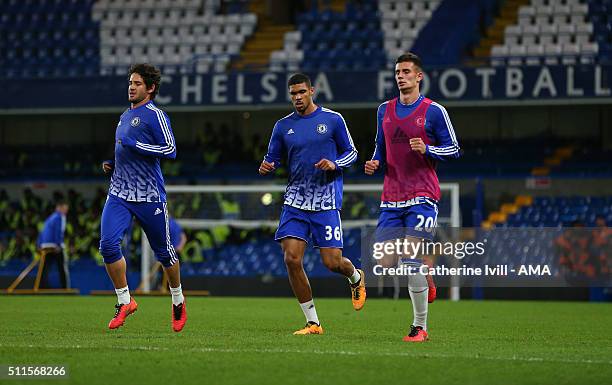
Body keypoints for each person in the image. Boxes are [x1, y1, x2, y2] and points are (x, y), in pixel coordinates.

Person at [259, 73, 366, 335]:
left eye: (301, 92)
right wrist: (268, 165)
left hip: (325, 200)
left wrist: (335, 163)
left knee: (332, 263)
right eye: (293, 93)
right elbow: (272, 157)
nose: (297, 98)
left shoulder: (332, 119)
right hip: (295, 200)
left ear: (312, 91)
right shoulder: (282, 126)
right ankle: (313, 322)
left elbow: (351, 152)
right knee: (291, 258)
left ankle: (356, 277)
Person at [364, 53, 460, 342]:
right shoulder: (384, 110)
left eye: (406, 71)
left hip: (422, 194)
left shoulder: (434, 111)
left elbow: (454, 149)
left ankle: (420, 328)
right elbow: (380, 147)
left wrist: (428, 149)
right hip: (391, 196)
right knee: (384, 261)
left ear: (419, 76)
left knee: (410, 260)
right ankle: (426, 277)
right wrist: (374, 162)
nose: (400, 76)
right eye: (397, 72)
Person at [99, 63, 186, 332]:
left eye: (137, 84)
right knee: (108, 246)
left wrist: (137, 145)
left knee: (165, 254)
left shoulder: (155, 115)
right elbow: (125, 151)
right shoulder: (125, 115)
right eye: (130, 83)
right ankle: (125, 300)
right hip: (120, 193)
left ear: (150, 88)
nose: (131, 87)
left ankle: (178, 299)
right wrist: (113, 163)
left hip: (149, 196)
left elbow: (170, 149)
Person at [37, 200, 70, 289]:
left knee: (44, 268)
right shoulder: (60, 217)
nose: (66, 211)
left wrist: (39, 244)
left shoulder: (50, 218)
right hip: (55, 246)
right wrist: (58, 244)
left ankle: (41, 287)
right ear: (58, 207)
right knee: (62, 268)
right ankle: (65, 288)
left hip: (45, 245)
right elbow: (59, 231)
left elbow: (42, 232)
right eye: (64, 209)